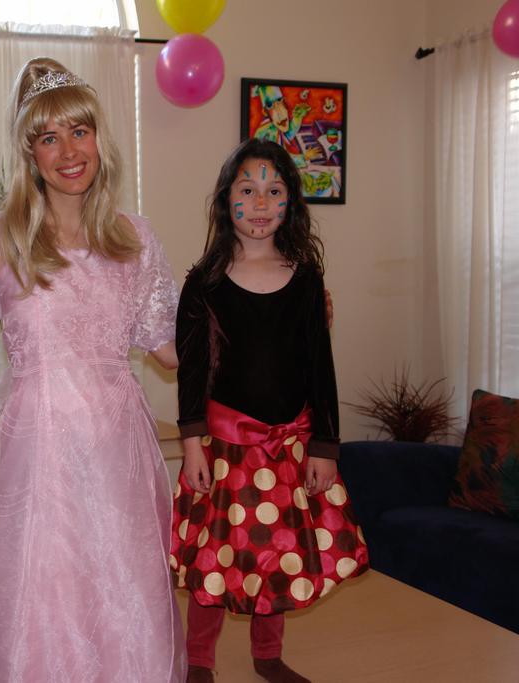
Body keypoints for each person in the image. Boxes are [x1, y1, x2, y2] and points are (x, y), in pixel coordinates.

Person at [0, 58, 187, 682]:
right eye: (49, 138)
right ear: (30, 153)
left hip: (117, 450)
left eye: (79, 131)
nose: (69, 151)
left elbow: (171, 349)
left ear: (99, 138)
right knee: (45, 594)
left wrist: (265, 322)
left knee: (123, 591)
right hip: (39, 449)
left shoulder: (134, 239)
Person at [170, 138, 369, 683]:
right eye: (248, 190)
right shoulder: (204, 283)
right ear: (225, 200)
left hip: (289, 449)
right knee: (215, 557)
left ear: (291, 202)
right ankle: (199, 661)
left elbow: (320, 367)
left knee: (278, 553)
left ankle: (267, 656)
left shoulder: (306, 279)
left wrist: (325, 446)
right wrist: (192, 444)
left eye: (274, 190)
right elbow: (191, 372)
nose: (260, 203)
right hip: (224, 451)